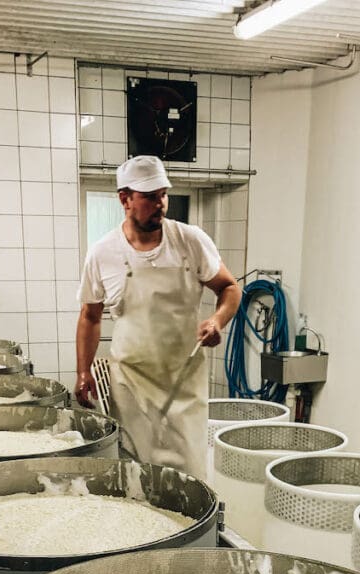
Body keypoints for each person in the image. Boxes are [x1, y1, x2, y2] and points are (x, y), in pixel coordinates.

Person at [75, 155, 241, 480]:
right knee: (136, 469)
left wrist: (217, 320)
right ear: (125, 199)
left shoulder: (189, 241)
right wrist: (84, 371)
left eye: (162, 194)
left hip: (184, 379)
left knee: (191, 470)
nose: (160, 204)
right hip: (131, 381)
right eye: (150, 197)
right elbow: (90, 316)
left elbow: (230, 288)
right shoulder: (103, 252)